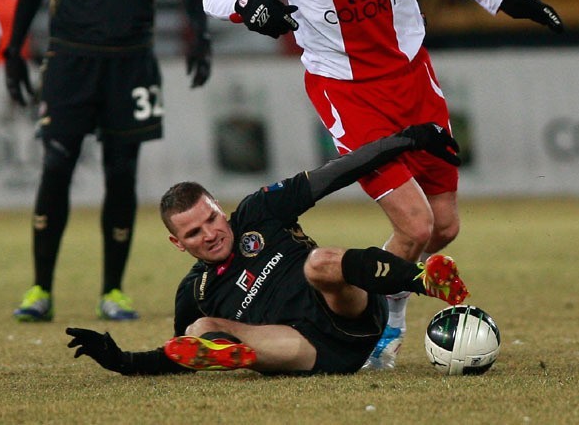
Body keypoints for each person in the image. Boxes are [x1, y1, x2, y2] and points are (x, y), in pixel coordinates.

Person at [202, 0, 564, 369]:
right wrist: (251, 8)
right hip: (346, 92)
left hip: (414, 79)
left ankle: (360, 301)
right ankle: (382, 335)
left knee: (444, 226)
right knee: (414, 226)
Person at [4, 0, 212, 323]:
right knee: (56, 169)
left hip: (132, 63)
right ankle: (39, 290)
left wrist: (201, 35)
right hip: (69, 61)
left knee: (122, 177)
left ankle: (113, 292)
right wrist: (13, 48)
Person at [66, 122, 468, 376]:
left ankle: (421, 279)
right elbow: (179, 355)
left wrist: (405, 140)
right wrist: (122, 360)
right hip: (307, 353)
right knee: (200, 330)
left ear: (219, 209)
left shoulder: (259, 211)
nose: (209, 234)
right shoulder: (196, 292)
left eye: (211, 219)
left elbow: (334, 174)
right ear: (178, 244)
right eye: (193, 234)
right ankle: (237, 352)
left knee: (319, 263)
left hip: (351, 316)